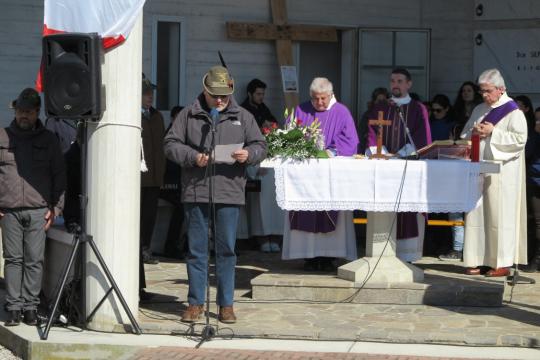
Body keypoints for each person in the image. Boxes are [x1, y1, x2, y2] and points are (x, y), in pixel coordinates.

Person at [164, 65, 267, 323]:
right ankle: (195, 303)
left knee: (226, 251)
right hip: (196, 192)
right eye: (215, 95)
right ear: (205, 90)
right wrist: (192, 157)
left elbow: (260, 145)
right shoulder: (189, 115)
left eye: (224, 95)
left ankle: (226, 305)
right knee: (197, 250)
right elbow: (170, 144)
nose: (220, 100)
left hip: (229, 192)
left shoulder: (243, 116)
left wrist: (249, 155)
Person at [0, 88, 66, 326]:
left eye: (28, 112)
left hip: (39, 211)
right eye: (20, 112)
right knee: (13, 260)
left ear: (37, 112)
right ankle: (14, 307)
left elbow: (59, 175)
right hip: (9, 211)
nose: (23, 116)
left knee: (34, 260)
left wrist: (56, 208)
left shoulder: (48, 140)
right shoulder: (2, 137)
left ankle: (30, 307)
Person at [281, 77, 359, 271]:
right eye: (315, 98)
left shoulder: (341, 112)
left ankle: (329, 256)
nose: (319, 103)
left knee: (330, 213)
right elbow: (289, 133)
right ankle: (308, 255)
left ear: (331, 95)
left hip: (331, 177)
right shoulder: (301, 109)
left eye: (323, 98)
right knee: (305, 211)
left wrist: (328, 152)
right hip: (305, 178)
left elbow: (350, 141)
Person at [460, 68, 528, 277]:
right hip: (479, 171)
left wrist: (493, 132)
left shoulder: (513, 112)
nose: (484, 95)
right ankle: (480, 259)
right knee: (478, 216)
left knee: (500, 216)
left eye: (488, 91)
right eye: (482, 91)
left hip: (503, 174)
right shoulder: (480, 109)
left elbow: (520, 140)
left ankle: (502, 262)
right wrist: (473, 133)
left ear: (501, 89)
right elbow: (465, 134)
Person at [367, 68, 432, 262]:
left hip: (408, 165)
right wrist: (384, 154)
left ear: (409, 84)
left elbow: (421, 137)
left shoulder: (418, 108)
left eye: (400, 81)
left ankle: (408, 254)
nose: (395, 84)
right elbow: (371, 132)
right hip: (384, 166)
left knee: (408, 208)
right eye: (393, 81)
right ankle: (383, 249)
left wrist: (400, 154)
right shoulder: (381, 107)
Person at [241, 79, 283, 253]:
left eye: (263, 94)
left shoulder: (263, 108)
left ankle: (275, 233)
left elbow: (274, 125)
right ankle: (261, 236)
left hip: (268, 157)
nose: (261, 97)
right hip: (251, 159)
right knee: (259, 201)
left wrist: (270, 127)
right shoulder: (243, 110)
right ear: (250, 94)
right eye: (258, 94)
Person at [139, 75, 166, 302]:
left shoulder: (156, 117)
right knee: (138, 218)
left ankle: (146, 248)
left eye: (151, 93)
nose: (150, 96)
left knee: (150, 216)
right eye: (146, 93)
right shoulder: (132, 116)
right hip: (139, 178)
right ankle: (139, 249)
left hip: (155, 177)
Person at [161, 105, 187, 259]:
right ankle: (171, 246)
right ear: (172, 119)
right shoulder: (171, 135)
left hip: (179, 183)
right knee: (182, 206)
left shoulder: (185, 134)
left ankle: (182, 244)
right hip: (167, 183)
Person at [522, 116, 540, 272]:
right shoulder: (534, 135)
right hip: (535, 180)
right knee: (537, 221)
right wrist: (535, 135)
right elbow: (527, 153)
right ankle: (536, 258)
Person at [357, 87, 389, 153]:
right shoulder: (368, 115)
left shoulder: (391, 114)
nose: (381, 104)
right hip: (371, 150)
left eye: (383, 101)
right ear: (374, 101)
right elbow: (361, 134)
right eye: (379, 100)